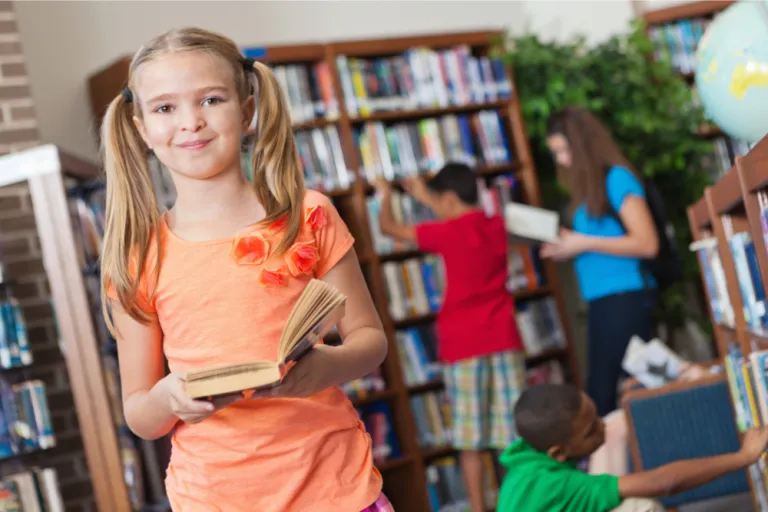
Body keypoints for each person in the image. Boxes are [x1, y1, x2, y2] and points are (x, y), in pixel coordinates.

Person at [99, 27, 391, 512]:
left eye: (211, 99)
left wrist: (328, 366)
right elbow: (140, 415)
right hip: (214, 498)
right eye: (165, 108)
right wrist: (169, 399)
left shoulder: (309, 215)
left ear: (248, 110)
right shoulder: (137, 256)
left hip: (337, 485)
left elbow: (370, 340)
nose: (190, 122)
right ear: (141, 128)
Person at [374, 162, 526, 512]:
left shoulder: (446, 233)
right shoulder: (498, 225)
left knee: (470, 441)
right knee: (513, 439)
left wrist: (385, 196)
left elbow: (388, 227)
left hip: (463, 344)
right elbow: (456, 212)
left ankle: (477, 507)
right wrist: (428, 195)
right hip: (504, 338)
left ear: (450, 198)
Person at [541, 107, 660, 417]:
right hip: (604, 301)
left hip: (625, 298)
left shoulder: (616, 178)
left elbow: (647, 243)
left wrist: (583, 242)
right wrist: (568, 246)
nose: (561, 161)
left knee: (609, 397)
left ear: (582, 146)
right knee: (612, 395)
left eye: (564, 150)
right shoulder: (587, 192)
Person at [497, 383, 768, 512]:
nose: (602, 426)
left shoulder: (526, 458)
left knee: (618, 422)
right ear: (558, 453)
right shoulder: (560, 487)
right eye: (591, 430)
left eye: (596, 415)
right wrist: (743, 456)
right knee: (642, 507)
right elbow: (663, 483)